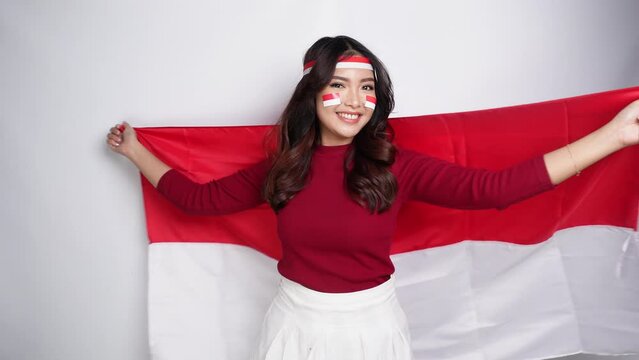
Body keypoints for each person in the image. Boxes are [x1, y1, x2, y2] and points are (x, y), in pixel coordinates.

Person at [106, 35, 639, 359]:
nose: (355, 101)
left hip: (373, 331)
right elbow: (198, 201)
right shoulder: (281, 170)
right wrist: (135, 151)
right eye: (338, 85)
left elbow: (496, 190)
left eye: (367, 89)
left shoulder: (397, 167)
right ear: (313, 95)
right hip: (294, 327)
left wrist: (614, 136)